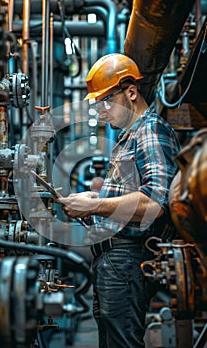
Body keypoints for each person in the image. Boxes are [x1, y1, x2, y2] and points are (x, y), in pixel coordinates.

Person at [57, 53, 181, 348]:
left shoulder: (149, 130)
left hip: (127, 261)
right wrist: (95, 199)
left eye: (105, 101)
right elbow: (129, 199)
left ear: (131, 92)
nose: (100, 111)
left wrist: (96, 206)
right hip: (116, 262)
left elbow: (154, 203)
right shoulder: (131, 136)